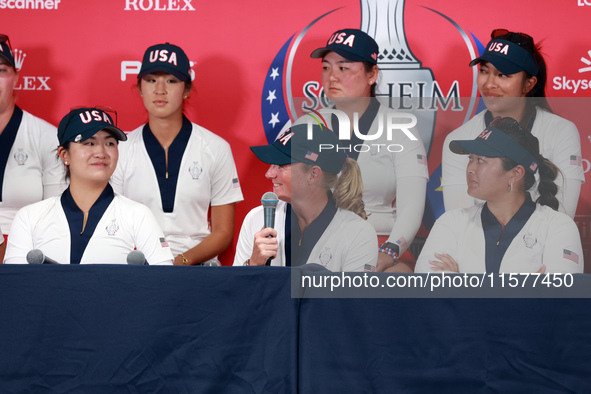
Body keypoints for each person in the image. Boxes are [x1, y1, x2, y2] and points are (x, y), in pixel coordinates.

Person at [304, 28, 429, 272]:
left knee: (394, 282)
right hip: (319, 243)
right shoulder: (306, 126)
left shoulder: (400, 128)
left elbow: (412, 208)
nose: (332, 77)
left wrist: (389, 251)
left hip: (380, 243)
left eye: (344, 68)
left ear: (372, 75)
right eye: (326, 67)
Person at [111, 43, 243, 266]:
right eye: (151, 80)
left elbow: (223, 233)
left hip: (197, 268)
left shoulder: (216, 147)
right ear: (140, 87)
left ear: (187, 89)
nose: (160, 90)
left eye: (171, 81)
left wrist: (181, 262)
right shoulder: (120, 148)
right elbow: (112, 223)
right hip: (136, 267)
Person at [442, 29, 584, 218]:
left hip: (543, 245)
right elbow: (458, 219)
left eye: (502, 75)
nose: (489, 83)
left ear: (529, 84)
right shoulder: (459, 139)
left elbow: (561, 218)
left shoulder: (561, 131)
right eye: (484, 71)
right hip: (476, 247)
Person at [4, 107, 174, 265]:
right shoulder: (29, 218)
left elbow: (163, 280)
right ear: (65, 155)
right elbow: (17, 285)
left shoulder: (138, 215)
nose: (101, 153)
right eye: (89, 143)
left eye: (110, 143)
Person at [416, 117, 583, 274]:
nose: (470, 169)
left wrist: (460, 284)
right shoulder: (450, 223)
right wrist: (525, 289)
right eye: (470, 158)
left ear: (516, 173)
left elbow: (560, 298)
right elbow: (430, 291)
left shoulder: (559, 227)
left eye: (481, 160)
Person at [233, 123, 378, 272]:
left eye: (281, 165)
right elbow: (236, 292)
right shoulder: (256, 219)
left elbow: (355, 295)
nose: (269, 174)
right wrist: (252, 265)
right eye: (271, 165)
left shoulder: (359, 234)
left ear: (313, 174)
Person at [0, 33, 66, 248]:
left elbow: (55, 214)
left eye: (1, 71)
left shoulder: (46, 136)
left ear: (16, 77)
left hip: (27, 248)